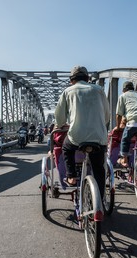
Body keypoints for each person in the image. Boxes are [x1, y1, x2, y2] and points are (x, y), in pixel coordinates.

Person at [54, 65, 110, 198]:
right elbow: (107, 116)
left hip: (77, 137)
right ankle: (100, 202)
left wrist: (62, 124)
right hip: (99, 138)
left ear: (71, 80)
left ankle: (71, 176)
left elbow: (60, 118)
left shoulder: (68, 91)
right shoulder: (99, 90)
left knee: (66, 148)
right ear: (88, 78)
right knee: (98, 169)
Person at [113, 81, 137, 167]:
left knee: (125, 140)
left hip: (134, 123)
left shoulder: (123, 96)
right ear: (133, 89)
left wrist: (118, 126)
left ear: (124, 89)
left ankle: (124, 160)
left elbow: (118, 114)